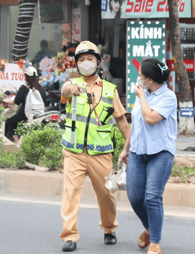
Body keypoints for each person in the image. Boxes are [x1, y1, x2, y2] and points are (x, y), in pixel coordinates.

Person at [60, 41, 129, 252]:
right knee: (70, 193)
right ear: (77, 64)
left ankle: (109, 228)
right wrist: (71, 88)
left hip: (101, 152)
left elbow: (122, 121)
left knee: (107, 194)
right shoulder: (72, 84)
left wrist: (129, 146)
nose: (86, 63)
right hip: (74, 151)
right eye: (81, 60)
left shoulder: (109, 90)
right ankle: (69, 236)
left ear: (98, 62)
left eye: (90, 59)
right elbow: (64, 91)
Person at [118, 58, 177, 254]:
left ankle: (155, 242)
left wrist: (142, 96)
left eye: (141, 76)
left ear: (149, 79)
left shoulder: (168, 97)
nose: (138, 79)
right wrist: (126, 149)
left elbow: (150, 118)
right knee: (135, 197)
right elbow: (137, 123)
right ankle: (149, 228)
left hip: (160, 153)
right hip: (137, 151)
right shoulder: (143, 94)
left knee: (152, 197)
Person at [3, 66, 46, 145]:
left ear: (26, 77)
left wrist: (4, 100)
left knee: (10, 122)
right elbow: (45, 101)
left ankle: (17, 141)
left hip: (26, 114)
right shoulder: (41, 88)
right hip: (39, 114)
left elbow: (16, 102)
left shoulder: (24, 88)